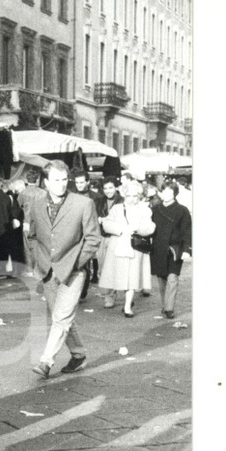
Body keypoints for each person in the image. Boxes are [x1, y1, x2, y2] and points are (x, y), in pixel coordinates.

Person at [28, 160, 101, 378]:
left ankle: (46, 361)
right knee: (62, 317)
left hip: (74, 271)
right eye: (56, 180)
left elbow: (94, 238)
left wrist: (77, 262)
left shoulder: (83, 203)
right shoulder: (37, 205)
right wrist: (39, 259)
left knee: (61, 317)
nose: (61, 184)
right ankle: (78, 355)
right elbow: (32, 236)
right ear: (46, 182)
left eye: (64, 180)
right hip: (48, 272)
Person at [98, 180, 156, 318]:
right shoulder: (117, 208)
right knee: (121, 276)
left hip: (136, 248)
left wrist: (138, 229)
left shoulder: (144, 209)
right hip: (118, 247)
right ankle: (120, 299)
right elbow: (107, 224)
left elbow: (150, 227)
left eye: (135, 196)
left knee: (132, 277)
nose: (132, 199)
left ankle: (127, 305)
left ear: (139, 196)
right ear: (124, 195)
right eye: (129, 195)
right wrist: (121, 229)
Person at [149, 181, 192, 319]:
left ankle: (169, 308)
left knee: (173, 278)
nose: (166, 194)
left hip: (175, 249)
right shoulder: (154, 209)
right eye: (164, 191)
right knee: (161, 279)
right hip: (158, 248)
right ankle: (165, 304)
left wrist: (187, 249)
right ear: (160, 193)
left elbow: (187, 231)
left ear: (174, 193)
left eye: (169, 191)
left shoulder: (182, 211)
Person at [0, 177, 24, 277]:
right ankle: (11, 272)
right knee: (8, 249)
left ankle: (1, 271)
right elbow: (12, 213)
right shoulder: (8, 197)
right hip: (7, 227)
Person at [96, 179, 123, 308]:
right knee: (101, 266)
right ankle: (107, 294)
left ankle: (112, 295)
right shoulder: (99, 201)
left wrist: (106, 220)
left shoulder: (122, 201)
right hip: (102, 236)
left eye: (110, 188)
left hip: (116, 237)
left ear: (116, 188)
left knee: (115, 267)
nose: (108, 191)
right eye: (105, 188)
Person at [16, 168, 45, 277]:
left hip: (27, 222)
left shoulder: (22, 193)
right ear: (37, 179)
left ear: (27, 179)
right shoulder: (43, 193)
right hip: (41, 222)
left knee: (27, 247)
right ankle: (39, 268)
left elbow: (18, 208)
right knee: (39, 245)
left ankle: (29, 269)